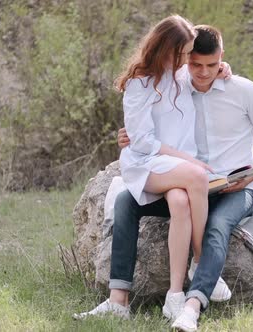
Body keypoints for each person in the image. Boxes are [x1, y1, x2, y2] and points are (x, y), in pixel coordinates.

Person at [113, 25, 253, 332]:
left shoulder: (243, 90)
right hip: (191, 184)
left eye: (212, 65)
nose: (204, 73)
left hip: (235, 187)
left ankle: (192, 306)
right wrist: (130, 135)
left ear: (222, 58)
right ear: (184, 60)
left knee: (217, 226)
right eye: (195, 64)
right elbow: (149, 118)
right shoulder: (176, 84)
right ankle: (117, 300)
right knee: (126, 200)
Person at [73, 15, 214, 322]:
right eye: (182, 54)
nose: (186, 60)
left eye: (189, 53)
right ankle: (201, 262)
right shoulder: (139, 83)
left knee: (180, 200)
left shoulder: (182, 76)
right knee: (198, 176)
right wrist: (188, 161)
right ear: (164, 48)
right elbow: (142, 141)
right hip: (147, 163)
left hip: (173, 166)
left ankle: (175, 295)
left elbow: (208, 74)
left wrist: (224, 68)